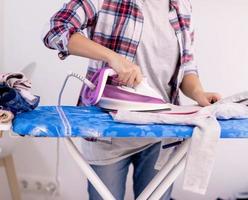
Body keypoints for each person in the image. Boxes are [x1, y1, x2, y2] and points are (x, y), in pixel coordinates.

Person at [43, 0, 221, 199]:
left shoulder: (182, 6)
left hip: (160, 131)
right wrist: (113, 58)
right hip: (109, 133)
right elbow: (56, 30)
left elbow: (186, 67)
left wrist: (198, 93)